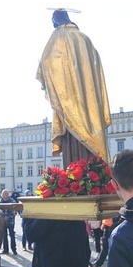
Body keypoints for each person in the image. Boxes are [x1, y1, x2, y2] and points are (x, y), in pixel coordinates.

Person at [36, 9, 112, 166]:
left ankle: (76, 173)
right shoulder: (85, 39)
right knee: (91, 132)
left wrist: (47, 80)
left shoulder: (57, 37)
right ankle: (94, 173)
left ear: (56, 20)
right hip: (89, 104)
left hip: (67, 101)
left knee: (72, 130)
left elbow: (46, 61)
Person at [0, 189, 18, 255]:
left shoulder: (12, 201)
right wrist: (2, 217)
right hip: (3, 222)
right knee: (4, 236)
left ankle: (14, 249)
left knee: (12, 236)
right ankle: (5, 249)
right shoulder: (0, 202)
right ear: (2, 195)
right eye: (4, 193)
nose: (5, 195)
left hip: (10, 221)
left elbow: (15, 211)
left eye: (6, 193)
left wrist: (8, 216)